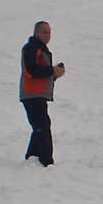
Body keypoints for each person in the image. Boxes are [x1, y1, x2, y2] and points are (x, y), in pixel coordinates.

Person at [20, 21, 66, 167]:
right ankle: (46, 161)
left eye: (49, 32)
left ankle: (33, 157)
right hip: (32, 94)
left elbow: (40, 73)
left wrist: (54, 75)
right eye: (44, 32)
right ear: (36, 32)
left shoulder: (42, 50)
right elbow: (31, 70)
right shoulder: (31, 48)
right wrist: (52, 71)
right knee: (42, 126)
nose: (48, 35)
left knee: (40, 125)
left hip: (38, 94)